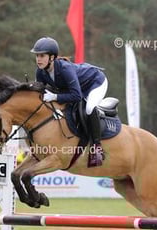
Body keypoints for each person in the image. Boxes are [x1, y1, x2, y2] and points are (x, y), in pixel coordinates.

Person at [30, 36, 108, 167]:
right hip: (76, 88)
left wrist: (55, 97)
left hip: (95, 82)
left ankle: (97, 148)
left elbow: (76, 96)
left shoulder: (65, 69)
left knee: (89, 108)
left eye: (42, 56)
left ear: (52, 57)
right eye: (37, 56)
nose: (38, 59)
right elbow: (40, 93)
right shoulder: (40, 72)